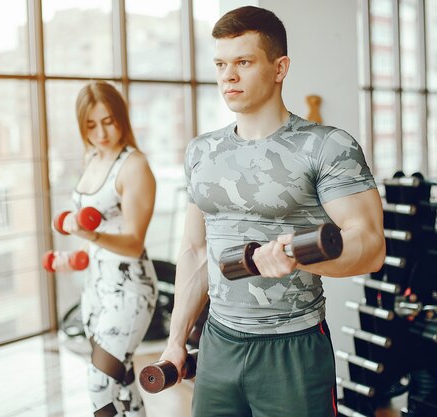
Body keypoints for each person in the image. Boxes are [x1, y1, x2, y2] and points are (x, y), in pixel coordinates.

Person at [159, 6, 386, 417]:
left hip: (293, 347)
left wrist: (300, 258)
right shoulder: (201, 152)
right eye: (221, 64)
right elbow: (195, 252)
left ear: (279, 68)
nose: (228, 75)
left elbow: (369, 245)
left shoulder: (326, 146)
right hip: (218, 342)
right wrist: (177, 339)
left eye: (243, 62)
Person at [53, 80, 158, 417]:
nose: (101, 133)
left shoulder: (134, 166)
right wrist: (77, 255)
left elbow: (133, 242)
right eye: (91, 125)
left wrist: (89, 235)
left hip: (130, 288)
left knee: (99, 383)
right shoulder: (92, 157)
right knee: (122, 379)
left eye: (108, 121)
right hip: (96, 285)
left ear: (122, 119)